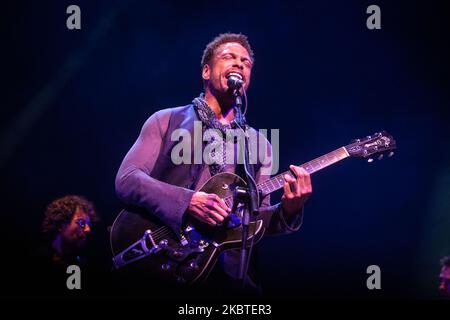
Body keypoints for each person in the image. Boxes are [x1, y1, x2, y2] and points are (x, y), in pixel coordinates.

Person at [115, 33, 312, 298]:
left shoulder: (260, 143)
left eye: (246, 62)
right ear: (206, 71)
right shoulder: (167, 120)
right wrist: (187, 201)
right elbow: (127, 179)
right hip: (161, 255)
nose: (239, 64)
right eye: (229, 57)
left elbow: (255, 221)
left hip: (226, 277)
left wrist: (289, 210)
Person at [32, 195, 99, 296]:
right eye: (81, 223)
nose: (88, 229)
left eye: (88, 224)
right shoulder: (37, 260)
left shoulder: (81, 264)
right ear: (60, 224)